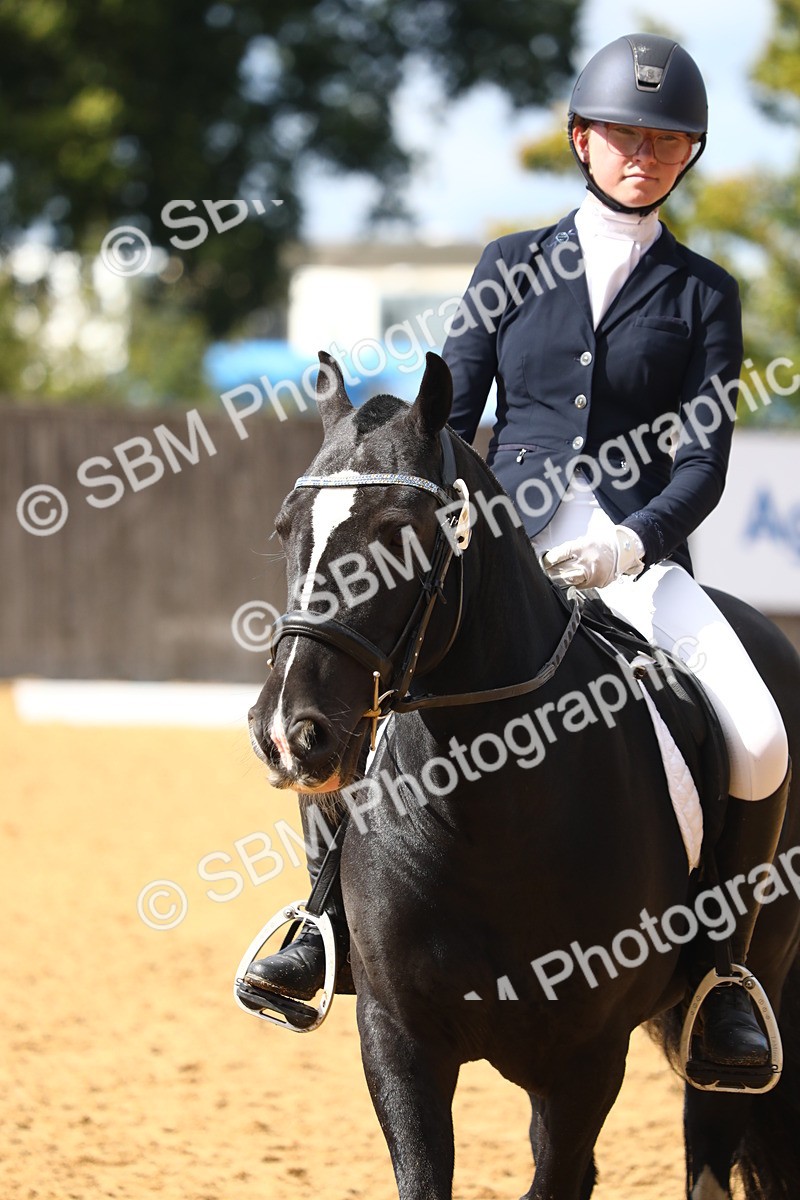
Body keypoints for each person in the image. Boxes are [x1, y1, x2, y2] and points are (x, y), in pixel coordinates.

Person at [243, 34, 791, 1071]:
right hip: (496, 539)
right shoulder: (508, 265)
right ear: (581, 141)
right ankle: (319, 925)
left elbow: (703, 458)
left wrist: (634, 542)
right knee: (358, 678)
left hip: (634, 550)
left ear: (688, 156)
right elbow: (444, 412)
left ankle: (719, 974)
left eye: (666, 140)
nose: (643, 153)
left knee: (758, 738)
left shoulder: (700, 292)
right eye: (624, 135)